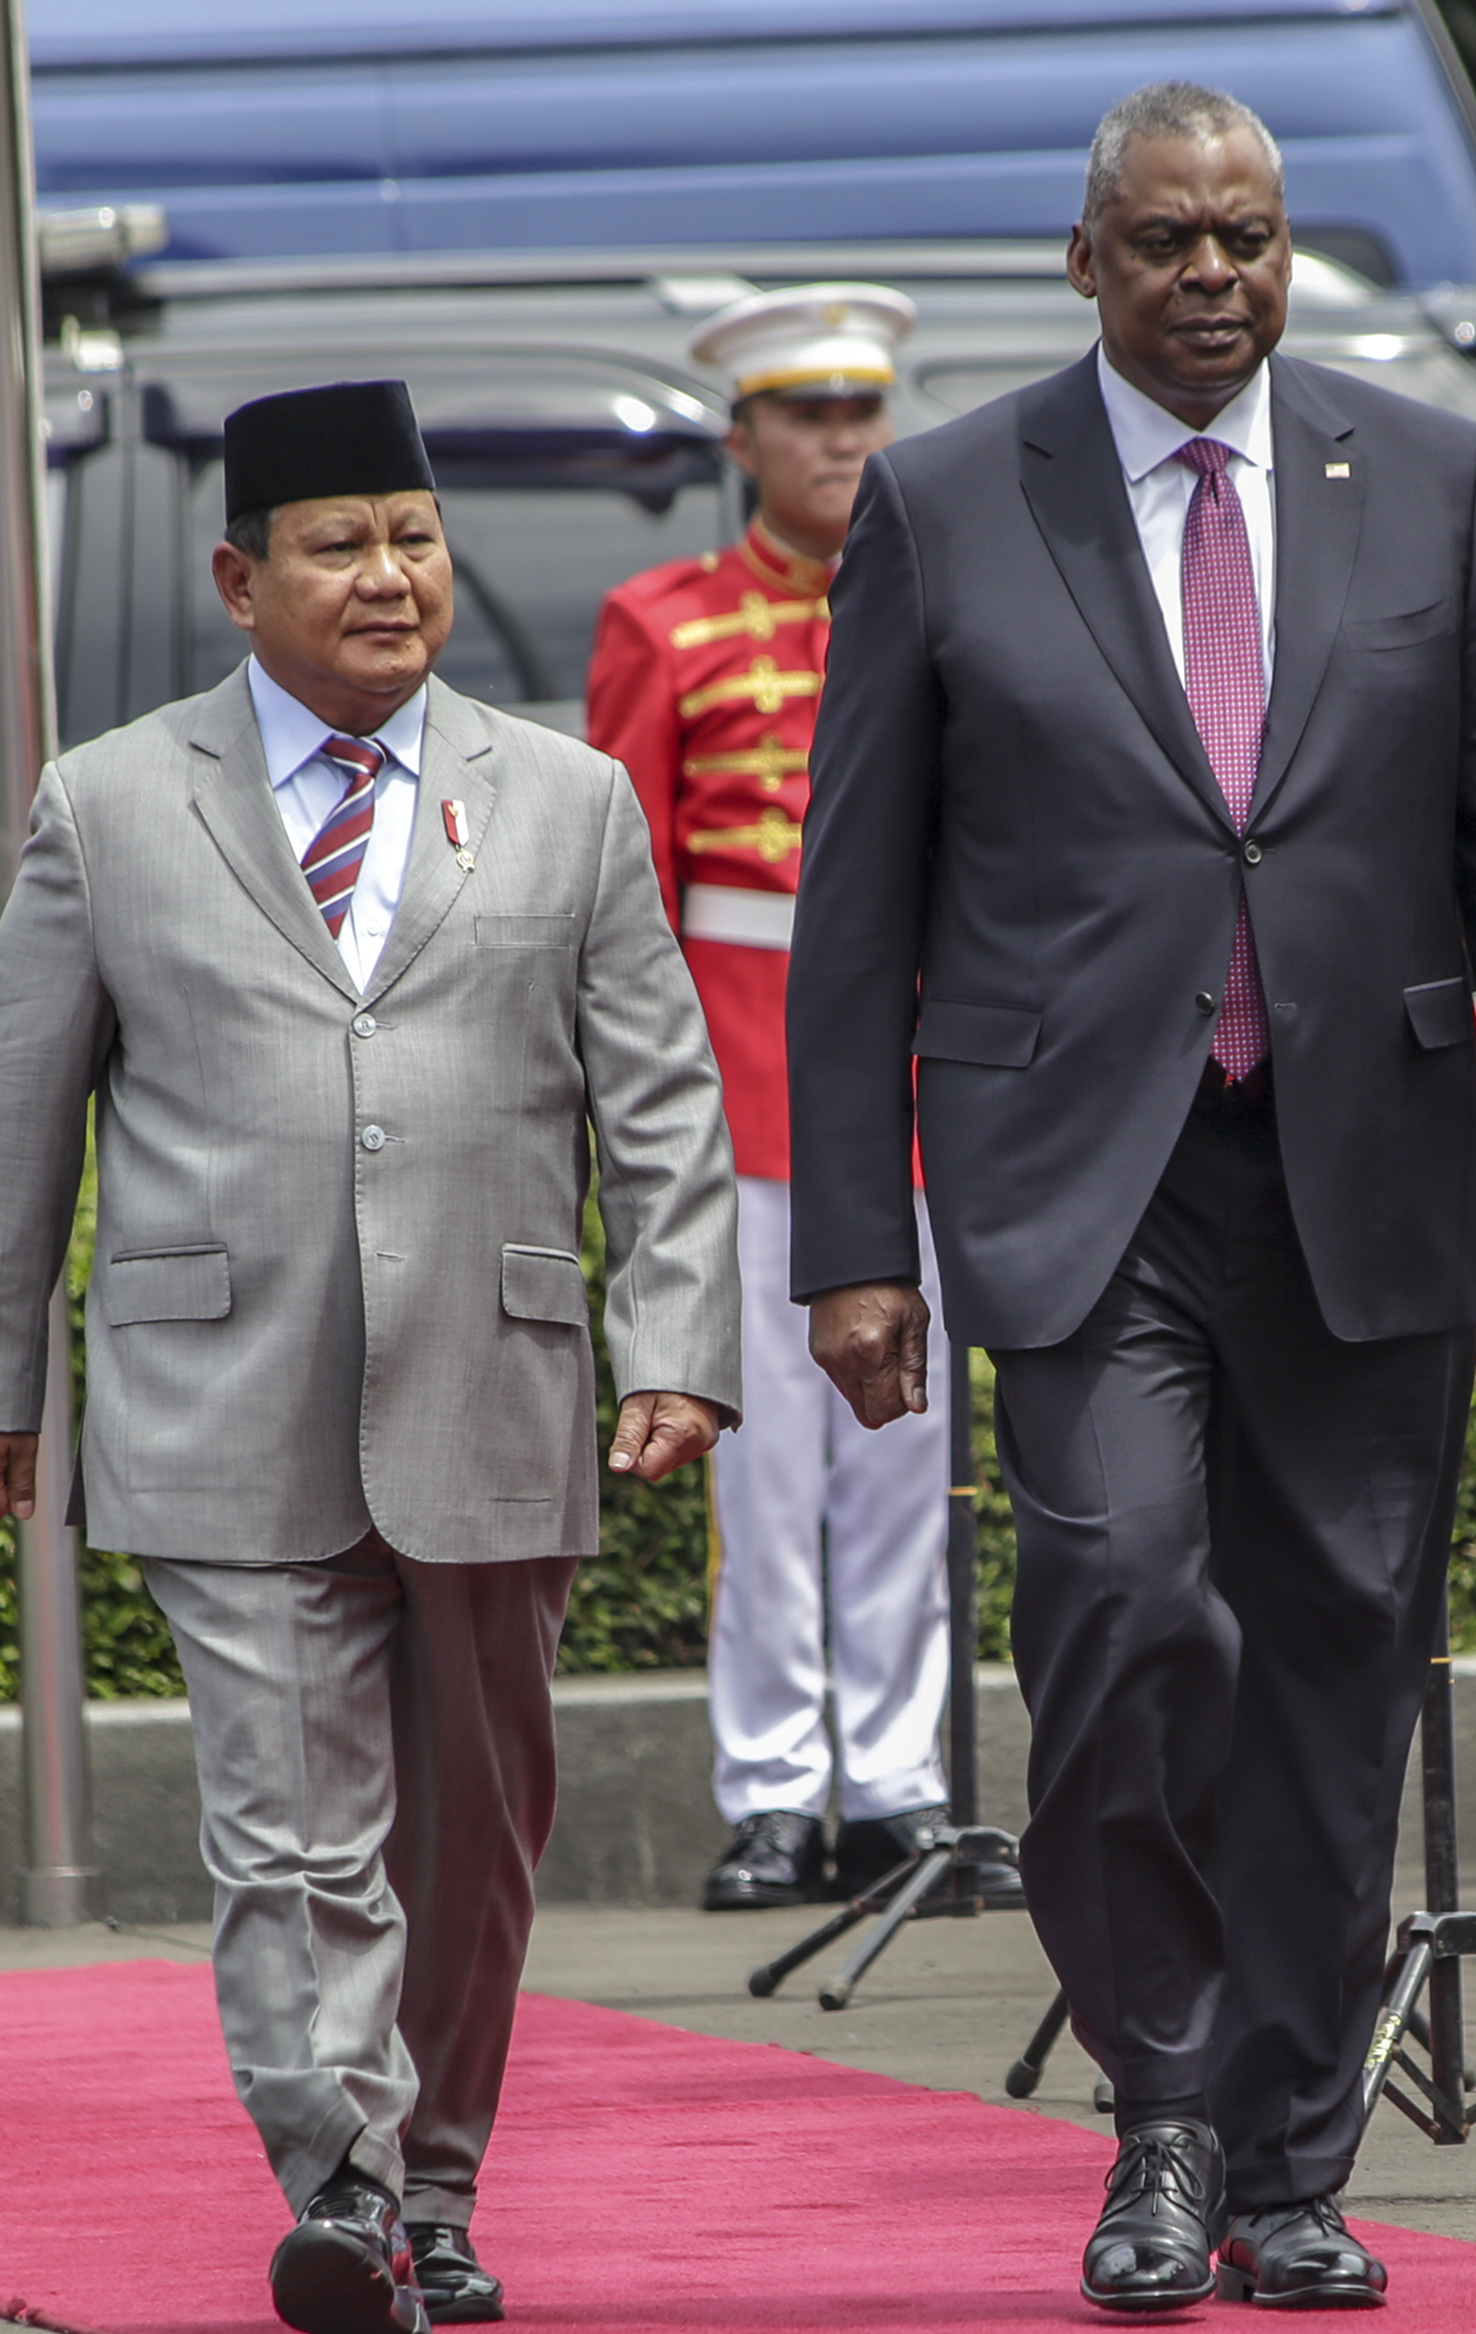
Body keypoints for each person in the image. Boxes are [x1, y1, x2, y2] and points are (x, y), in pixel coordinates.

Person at [786, 83, 1476, 2312]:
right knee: (1122, 1617)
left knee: (1337, 1668)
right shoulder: (954, 503)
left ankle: (1283, 2158)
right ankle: (1153, 2106)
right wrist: (856, 1244)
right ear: (1084, 261)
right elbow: (851, 898)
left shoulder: (1430, 482)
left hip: (1355, 1170)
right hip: (1082, 1185)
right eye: (1165, 241)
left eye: (1246, 241)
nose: (1210, 280)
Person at [0, 380, 741, 2334]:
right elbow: (13, 1112)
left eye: (414, 536)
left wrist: (680, 1337)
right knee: (288, 1826)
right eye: (338, 542)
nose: (388, 574)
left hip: (497, 1375)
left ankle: (437, 2183)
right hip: (225, 1389)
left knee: (471, 1826)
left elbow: (661, 1104)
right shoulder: (110, 803)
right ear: (239, 578)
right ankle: (344, 2188)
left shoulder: (566, 801)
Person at [587, 282, 972, 1917]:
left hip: (917, 1088)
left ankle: (898, 1786)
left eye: (862, 410)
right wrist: (639, 1111)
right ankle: (772, 1792)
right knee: (763, 1471)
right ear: (742, 438)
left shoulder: (955, 600)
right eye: (807, 415)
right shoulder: (661, 622)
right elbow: (627, 897)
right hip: (743, 1086)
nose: (840, 440)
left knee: (904, 1456)